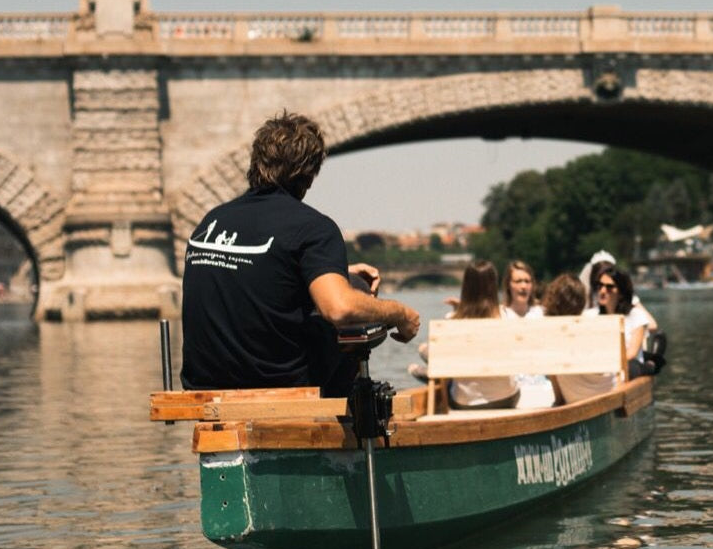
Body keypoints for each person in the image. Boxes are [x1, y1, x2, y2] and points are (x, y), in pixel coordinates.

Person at [180, 111, 419, 397]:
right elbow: (339, 308)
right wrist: (400, 313)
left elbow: (260, 273)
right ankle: (347, 421)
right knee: (355, 293)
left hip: (205, 383)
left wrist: (329, 272)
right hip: (278, 384)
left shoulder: (212, 221)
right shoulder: (312, 228)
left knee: (345, 283)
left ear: (255, 160)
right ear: (310, 175)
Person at [440, 259, 521, 410]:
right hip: (505, 398)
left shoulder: (450, 321)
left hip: (464, 402)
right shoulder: (508, 317)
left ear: (466, 286)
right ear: (493, 285)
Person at [540, 273, 617, 404]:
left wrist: (559, 403)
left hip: (573, 398)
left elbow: (558, 392)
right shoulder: (593, 326)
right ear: (581, 301)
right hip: (605, 392)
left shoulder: (549, 333)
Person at [591, 263, 660, 378]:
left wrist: (607, 367)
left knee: (630, 366)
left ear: (621, 293)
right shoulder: (592, 316)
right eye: (600, 285)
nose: (603, 291)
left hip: (627, 367)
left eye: (609, 287)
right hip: (601, 368)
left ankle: (650, 366)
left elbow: (631, 353)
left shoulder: (636, 316)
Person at [502, 260, 554, 408]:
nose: (523, 286)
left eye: (527, 281)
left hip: (541, 381)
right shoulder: (502, 315)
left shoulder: (542, 313)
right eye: (518, 281)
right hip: (511, 383)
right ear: (508, 285)